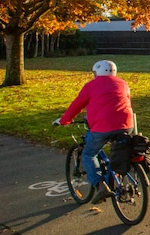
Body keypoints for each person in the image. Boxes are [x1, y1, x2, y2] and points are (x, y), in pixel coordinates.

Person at [54, 60, 135, 204]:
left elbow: (77, 105)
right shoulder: (123, 84)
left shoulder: (91, 86)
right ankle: (115, 178)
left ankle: (100, 185)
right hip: (126, 125)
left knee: (89, 153)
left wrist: (64, 120)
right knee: (117, 149)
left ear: (97, 72)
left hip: (102, 128)